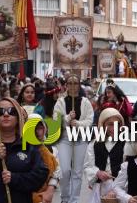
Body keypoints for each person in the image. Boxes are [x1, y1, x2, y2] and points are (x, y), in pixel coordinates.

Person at [0, 97, 49, 203]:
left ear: (18, 117)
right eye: (0, 112)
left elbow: (40, 175)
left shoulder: (28, 144)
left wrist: (14, 178)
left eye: (11, 111)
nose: (6, 114)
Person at [55, 74, 93, 203]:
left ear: (79, 85)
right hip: (65, 138)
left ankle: (74, 199)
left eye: (75, 83)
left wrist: (78, 124)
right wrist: (67, 118)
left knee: (77, 171)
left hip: (80, 138)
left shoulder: (85, 102)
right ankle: (65, 197)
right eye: (69, 83)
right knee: (65, 170)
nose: (72, 86)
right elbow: (56, 120)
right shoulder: (61, 101)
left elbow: (89, 120)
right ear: (66, 85)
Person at [83, 107, 127, 203]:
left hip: (121, 188)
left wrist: (116, 189)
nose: (114, 128)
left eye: (117, 124)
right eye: (110, 124)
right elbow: (88, 165)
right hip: (99, 188)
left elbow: (129, 167)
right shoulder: (94, 144)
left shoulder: (126, 144)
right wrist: (98, 173)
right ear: (103, 125)